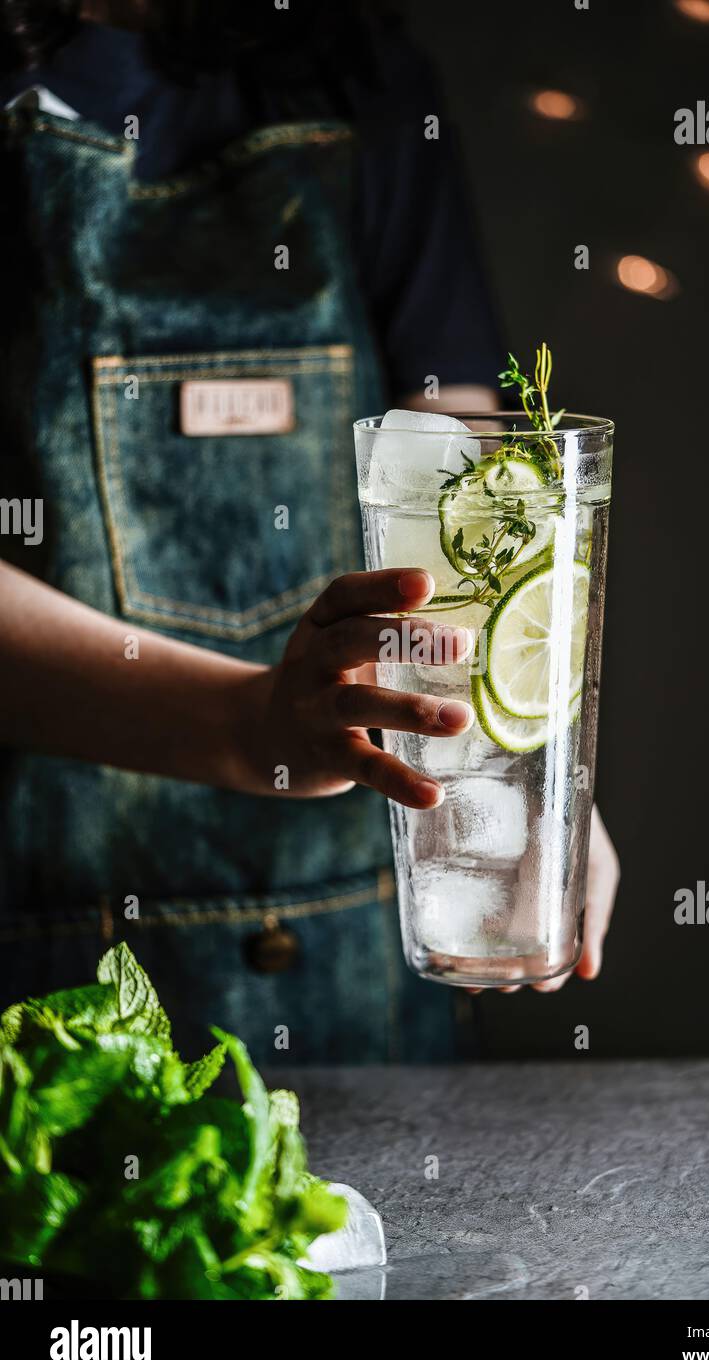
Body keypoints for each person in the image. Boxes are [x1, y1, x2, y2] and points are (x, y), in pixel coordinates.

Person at [0, 0, 619, 1064]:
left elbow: (450, 450)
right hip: (43, 959)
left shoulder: (358, 72)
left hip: (362, 952)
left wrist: (514, 762)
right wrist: (252, 725)